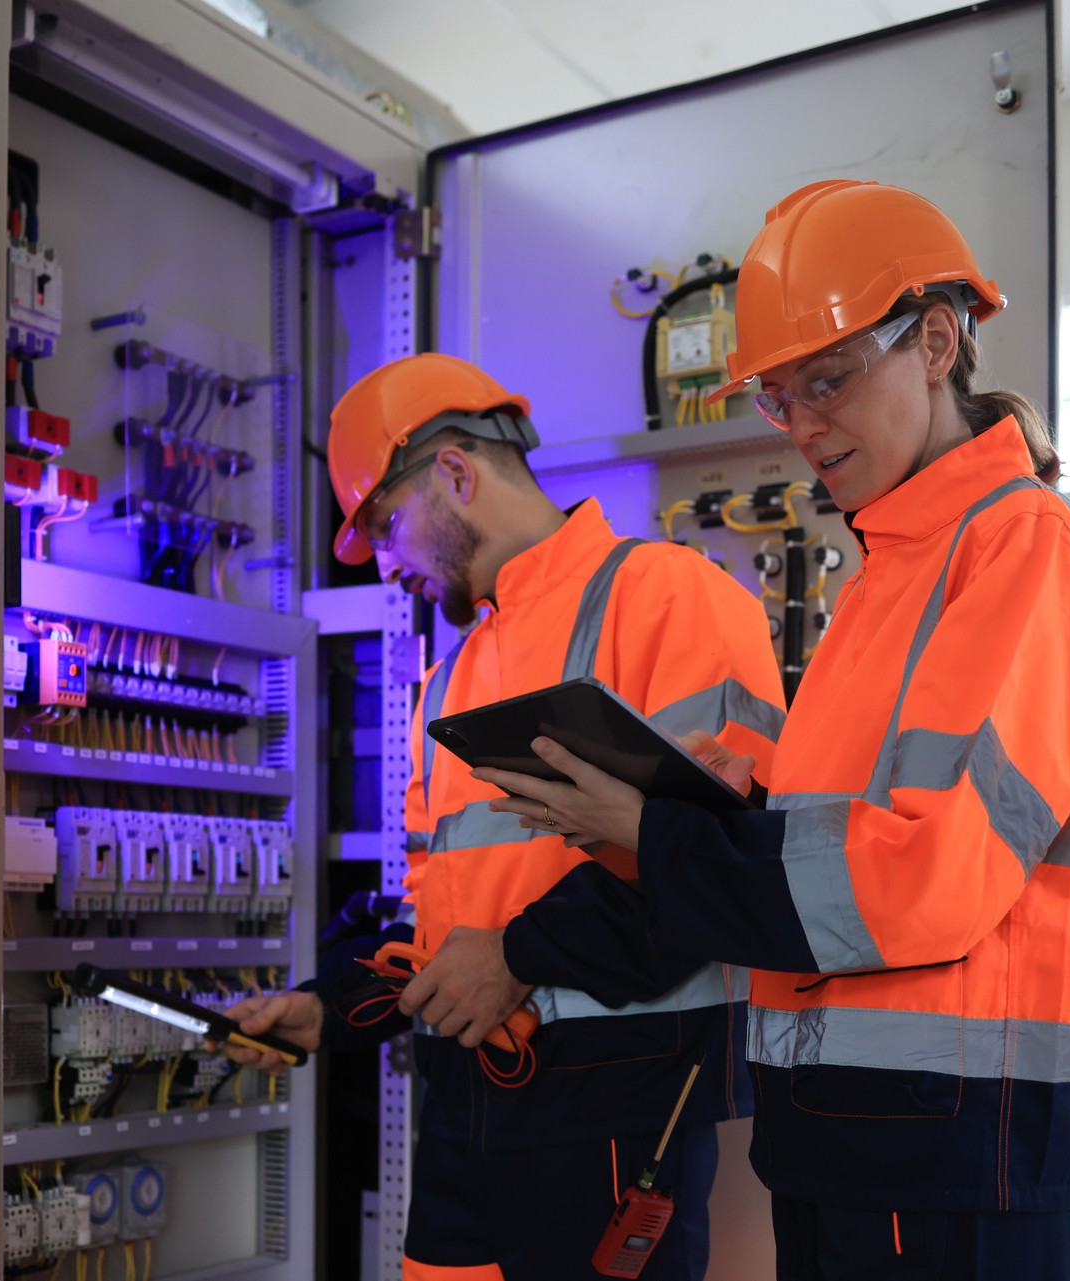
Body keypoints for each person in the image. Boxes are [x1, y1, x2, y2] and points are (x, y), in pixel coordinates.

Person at [397, 181, 1070, 1281]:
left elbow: (929, 877)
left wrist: (657, 833)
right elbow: (844, 843)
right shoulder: (889, 577)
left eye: (828, 383)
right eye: (777, 399)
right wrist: (724, 810)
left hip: (949, 1148)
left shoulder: (1027, 555)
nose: (803, 429)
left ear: (937, 342)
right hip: (844, 1141)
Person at [221, 353, 788, 1280]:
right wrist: (329, 1008)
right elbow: (435, 916)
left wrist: (516, 956)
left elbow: (717, 861)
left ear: (453, 472)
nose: (389, 563)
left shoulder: (670, 598)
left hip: (615, 1107)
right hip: (461, 1115)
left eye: (386, 526)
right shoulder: (445, 681)